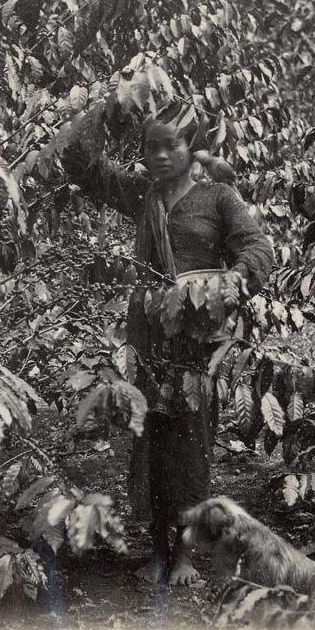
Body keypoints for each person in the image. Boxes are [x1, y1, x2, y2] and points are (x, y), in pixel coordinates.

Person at [62, 103, 273, 586]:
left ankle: (184, 556)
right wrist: (109, 111)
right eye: (150, 146)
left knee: (191, 449)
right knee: (152, 448)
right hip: (149, 340)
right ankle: (157, 550)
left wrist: (234, 281)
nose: (159, 155)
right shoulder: (142, 196)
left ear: (192, 148)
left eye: (170, 145)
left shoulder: (218, 198)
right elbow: (81, 165)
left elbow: (259, 248)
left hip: (198, 343)